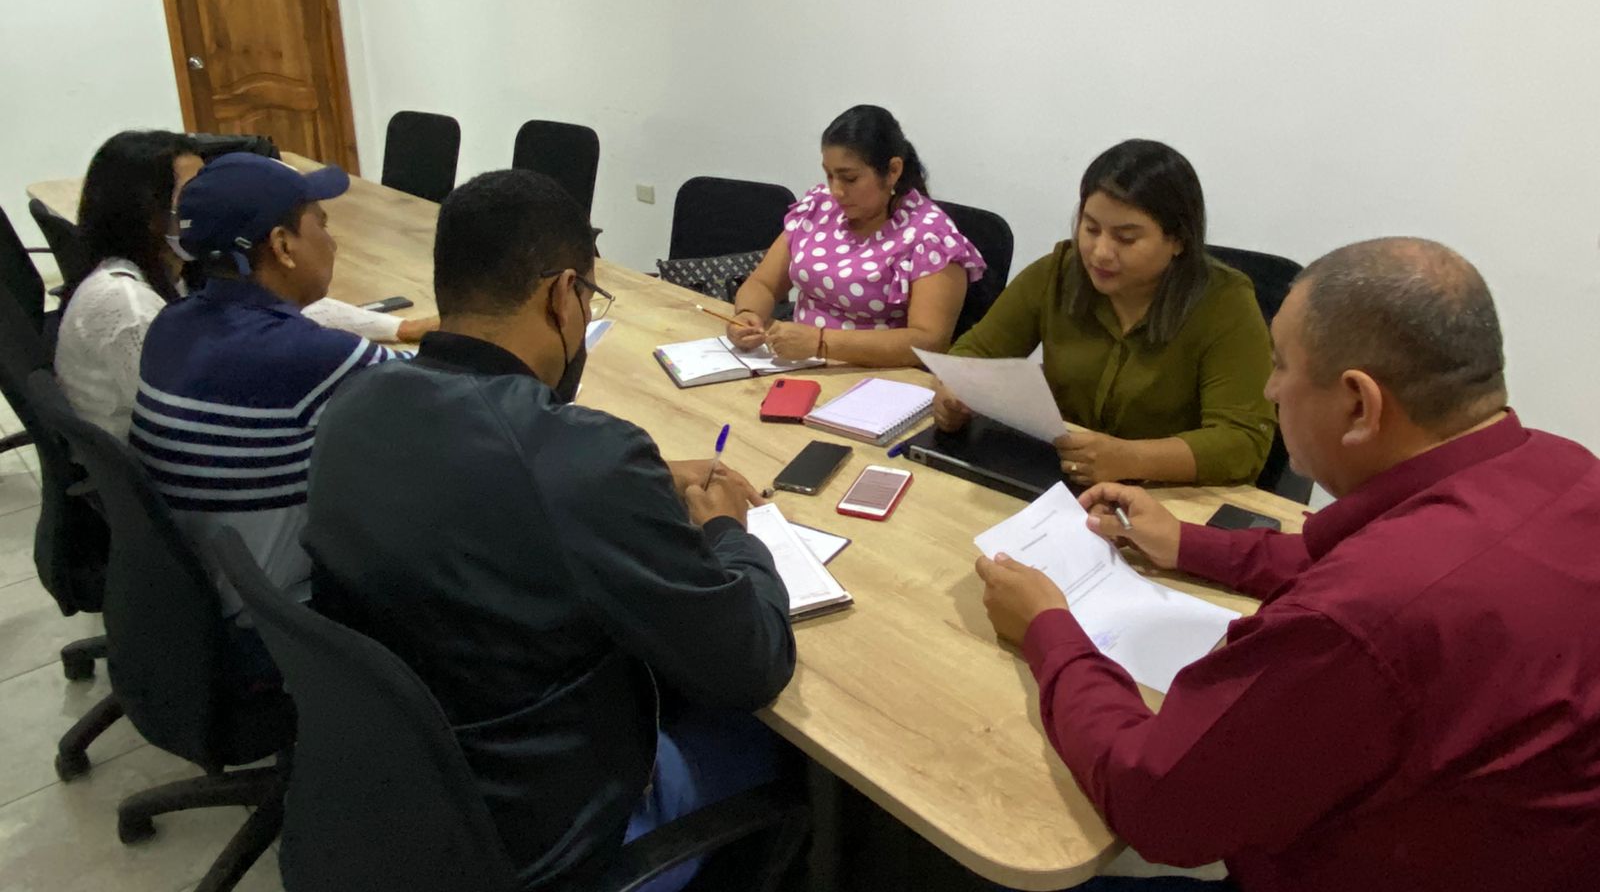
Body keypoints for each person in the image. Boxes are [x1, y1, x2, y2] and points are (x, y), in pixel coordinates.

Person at [975, 237, 1600, 892]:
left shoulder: (1357, 618)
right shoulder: (1564, 467)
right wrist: (1186, 542)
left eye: (1280, 366)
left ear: (1359, 404)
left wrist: (1048, 631)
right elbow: (1351, 555)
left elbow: (1156, 803)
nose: (1270, 388)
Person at [304, 170, 796, 892]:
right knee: (780, 753)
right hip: (548, 839)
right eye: (590, 298)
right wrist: (729, 532)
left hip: (398, 804)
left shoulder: (352, 406)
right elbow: (753, 663)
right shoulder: (585, 458)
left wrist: (639, 478)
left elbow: (492, 476)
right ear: (563, 295)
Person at [129, 153, 407, 652]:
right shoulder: (311, 357)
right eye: (322, 224)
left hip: (199, 607)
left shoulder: (170, 325)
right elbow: (457, 395)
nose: (333, 241)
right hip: (284, 625)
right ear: (282, 245)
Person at [55, 130, 434, 440]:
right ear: (146, 211)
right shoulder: (132, 308)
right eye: (193, 191)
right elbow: (433, 387)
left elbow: (278, 304)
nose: (206, 197)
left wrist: (399, 327)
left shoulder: (180, 308)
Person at [937, 139, 1274, 488]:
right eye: (1091, 229)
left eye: (1126, 239)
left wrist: (1132, 458)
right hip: (1059, 480)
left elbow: (1242, 441)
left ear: (1178, 240)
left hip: (1169, 495)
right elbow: (973, 353)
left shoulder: (1225, 304)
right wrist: (955, 393)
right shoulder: (1057, 274)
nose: (1100, 252)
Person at [727, 104, 985, 368]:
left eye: (849, 179)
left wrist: (822, 343)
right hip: (800, 364)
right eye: (829, 175)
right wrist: (747, 315)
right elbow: (763, 284)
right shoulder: (819, 207)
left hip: (878, 376)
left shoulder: (929, 236)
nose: (836, 191)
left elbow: (929, 341)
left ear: (893, 171)